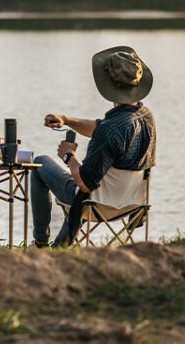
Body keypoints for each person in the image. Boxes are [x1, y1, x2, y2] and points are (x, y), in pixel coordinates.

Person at [31, 46, 156, 248]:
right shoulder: (145, 118)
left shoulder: (110, 130)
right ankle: (59, 248)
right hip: (131, 203)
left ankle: (40, 244)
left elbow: (84, 183)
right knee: (85, 185)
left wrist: (68, 155)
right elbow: (100, 129)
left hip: (96, 204)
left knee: (40, 164)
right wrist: (66, 120)